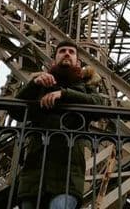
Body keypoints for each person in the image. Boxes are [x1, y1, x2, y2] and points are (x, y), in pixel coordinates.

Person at [15, 41, 103, 209]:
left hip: (68, 174)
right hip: (35, 173)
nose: (67, 53)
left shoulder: (86, 87)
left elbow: (100, 108)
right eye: (62, 51)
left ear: (78, 62)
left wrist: (64, 94)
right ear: (53, 61)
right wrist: (34, 84)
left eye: (71, 51)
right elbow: (16, 111)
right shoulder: (40, 84)